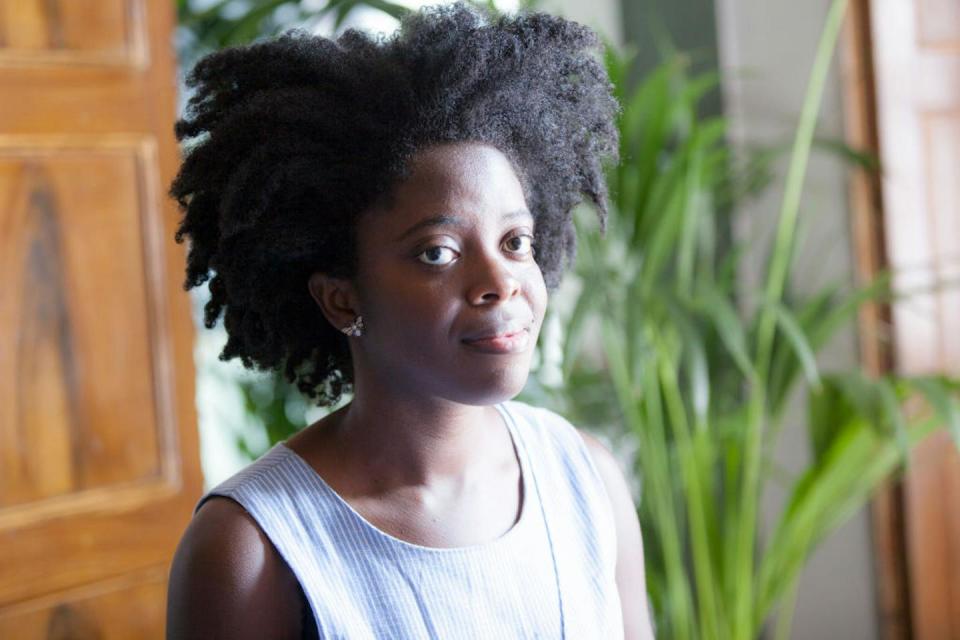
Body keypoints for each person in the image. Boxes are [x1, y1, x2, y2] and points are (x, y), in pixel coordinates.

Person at [165, 2, 654, 638]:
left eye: (515, 242)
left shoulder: (587, 481)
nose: (500, 281)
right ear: (342, 299)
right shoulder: (252, 550)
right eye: (438, 253)